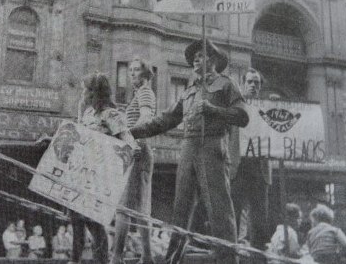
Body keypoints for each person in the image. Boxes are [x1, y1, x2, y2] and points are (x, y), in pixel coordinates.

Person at [130, 39, 249, 264]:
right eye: (193, 57)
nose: (195, 59)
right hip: (188, 148)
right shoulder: (189, 91)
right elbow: (165, 120)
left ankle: (227, 261)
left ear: (213, 61)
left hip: (213, 147)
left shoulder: (226, 84)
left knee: (219, 210)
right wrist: (131, 132)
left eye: (201, 55)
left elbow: (243, 116)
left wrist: (213, 110)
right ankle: (172, 260)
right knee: (180, 210)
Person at [69, 72, 139, 264]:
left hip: (98, 177)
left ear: (94, 92)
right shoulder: (87, 113)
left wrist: (132, 149)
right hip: (80, 172)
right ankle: (74, 261)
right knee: (75, 220)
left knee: (94, 224)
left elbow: (127, 138)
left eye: (86, 89)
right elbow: (77, 137)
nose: (83, 93)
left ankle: (102, 261)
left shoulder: (111, 114)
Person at [111, 58, 156, 264]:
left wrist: (130, 138)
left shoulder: (145, 92)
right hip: (139, 148)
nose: (132, 74)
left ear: (146, 74)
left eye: (137, 70)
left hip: (137, 148)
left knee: (124, 205)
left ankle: (117, 257)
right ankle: (147, 257)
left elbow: (145, 118)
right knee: (139, 206)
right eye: (130, 70)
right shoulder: (139, 94)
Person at [230, 68, 271, 250]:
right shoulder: (235, 107)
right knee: (233, 213)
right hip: (238, 167)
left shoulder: (267, 108)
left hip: (260, 168)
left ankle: (258, 257)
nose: (254, 85)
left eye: (257, 82)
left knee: (259, 217)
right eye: (250, 82)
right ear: (243, 85)